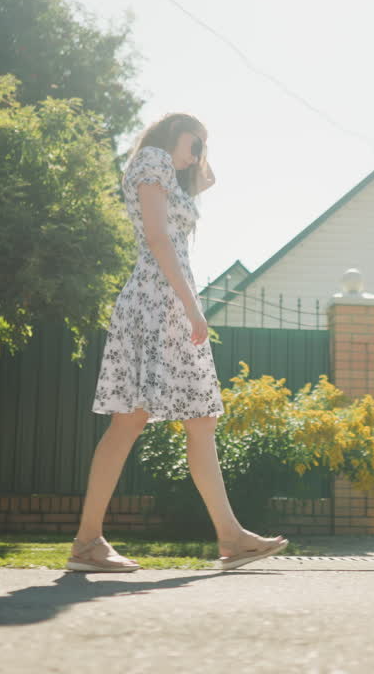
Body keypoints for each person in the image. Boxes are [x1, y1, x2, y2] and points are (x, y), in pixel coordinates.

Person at [66, 113, 289, 573]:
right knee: (129, 420)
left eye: (204, 144)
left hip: (170, 303)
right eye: (194, 141)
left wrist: (198, 153)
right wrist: (191, 304)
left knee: (201, 418)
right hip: (156, 301)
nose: (198, 152)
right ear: (172, 134)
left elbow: (207, 180)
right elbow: (156, 236)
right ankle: (87, 542)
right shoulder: (152, 160)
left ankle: (230, 536)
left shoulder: (172, 173)